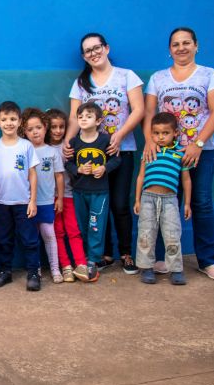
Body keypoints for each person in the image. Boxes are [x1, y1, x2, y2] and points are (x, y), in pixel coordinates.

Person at [143, 27, 214, 280]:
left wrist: (197, 144)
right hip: (166, 155)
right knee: (163, 203)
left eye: (186, 43)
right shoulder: (158, 78)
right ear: (170, 50)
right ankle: (162, 259)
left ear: (196, 46)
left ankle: (208, 260)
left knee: (201, 203)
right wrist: (150, 141)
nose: (181, 48)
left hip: (200, 152)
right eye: (176, 44)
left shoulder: (209, 75)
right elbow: (149, 113)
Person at [65, 33, 144, 275]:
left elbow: (139, 110)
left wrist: (119, 136)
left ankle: (126, 253)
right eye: (88, 50)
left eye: (96, 47)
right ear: (83, 56)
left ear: (106, 48)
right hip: (90, 155)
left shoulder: (126, 76)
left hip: (120, 151)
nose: (93, 53)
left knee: (119, 204)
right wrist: (67, 142)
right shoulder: (81, 83)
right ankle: (105, 254)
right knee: (98, 206)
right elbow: (74, 117)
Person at [0, 102, 41, 291]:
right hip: (1, 202)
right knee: (4, 239)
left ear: (19, 122)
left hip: (23, 202)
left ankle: (33, 273)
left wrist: (33, 201)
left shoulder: (26, 146)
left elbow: (33, 174)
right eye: (4, 119)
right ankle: (5, 271)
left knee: (30, 239)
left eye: (12, 119)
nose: (8, 123)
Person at [65, 102, 121, 283]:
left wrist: (104, 168)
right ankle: (82, 258)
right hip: (79, 192)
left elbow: (116, 160)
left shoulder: (105, 140)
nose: (83, 119)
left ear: (98, 121)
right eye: (80, 116)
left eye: (88, 116)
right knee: (81, 226)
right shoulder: (74, 142)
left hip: (99, 192)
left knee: (95, 226)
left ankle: (93, 260)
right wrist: (79, 169)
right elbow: (68, 163)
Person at [134, 112, 191, 285]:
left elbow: (186, 180)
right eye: (156, 133)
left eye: (165, 133)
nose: (160, 137)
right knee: (146, 233)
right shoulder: (149, 152)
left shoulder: (180, 154)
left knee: (172, 234)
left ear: (175, 133)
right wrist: (137, 200)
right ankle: (146, 268)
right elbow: (140, 176)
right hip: (148, 198)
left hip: (170, 199)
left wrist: (187, 203)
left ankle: (176, 270)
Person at [20, 108, 64, 284]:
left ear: (45, 127)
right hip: (27, 202)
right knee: (31, 238)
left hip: (46, 202)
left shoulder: (52, 152)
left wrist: (59, 198)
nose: (35, 132)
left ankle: (55, 268)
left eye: (38, 127)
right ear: (24, 132)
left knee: (49, 235)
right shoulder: (23, 150)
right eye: (30, 129)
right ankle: (35, 269)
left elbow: (59, 176)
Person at [45, 109, 89, 283]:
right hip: (49, 198)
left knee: (73, 230)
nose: (58, 131)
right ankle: (65, 266)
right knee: (57, 232)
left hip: (69, 195)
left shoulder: (69, 146)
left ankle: (81, 264)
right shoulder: (42, 147)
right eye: (53, 127)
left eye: (61, 127)